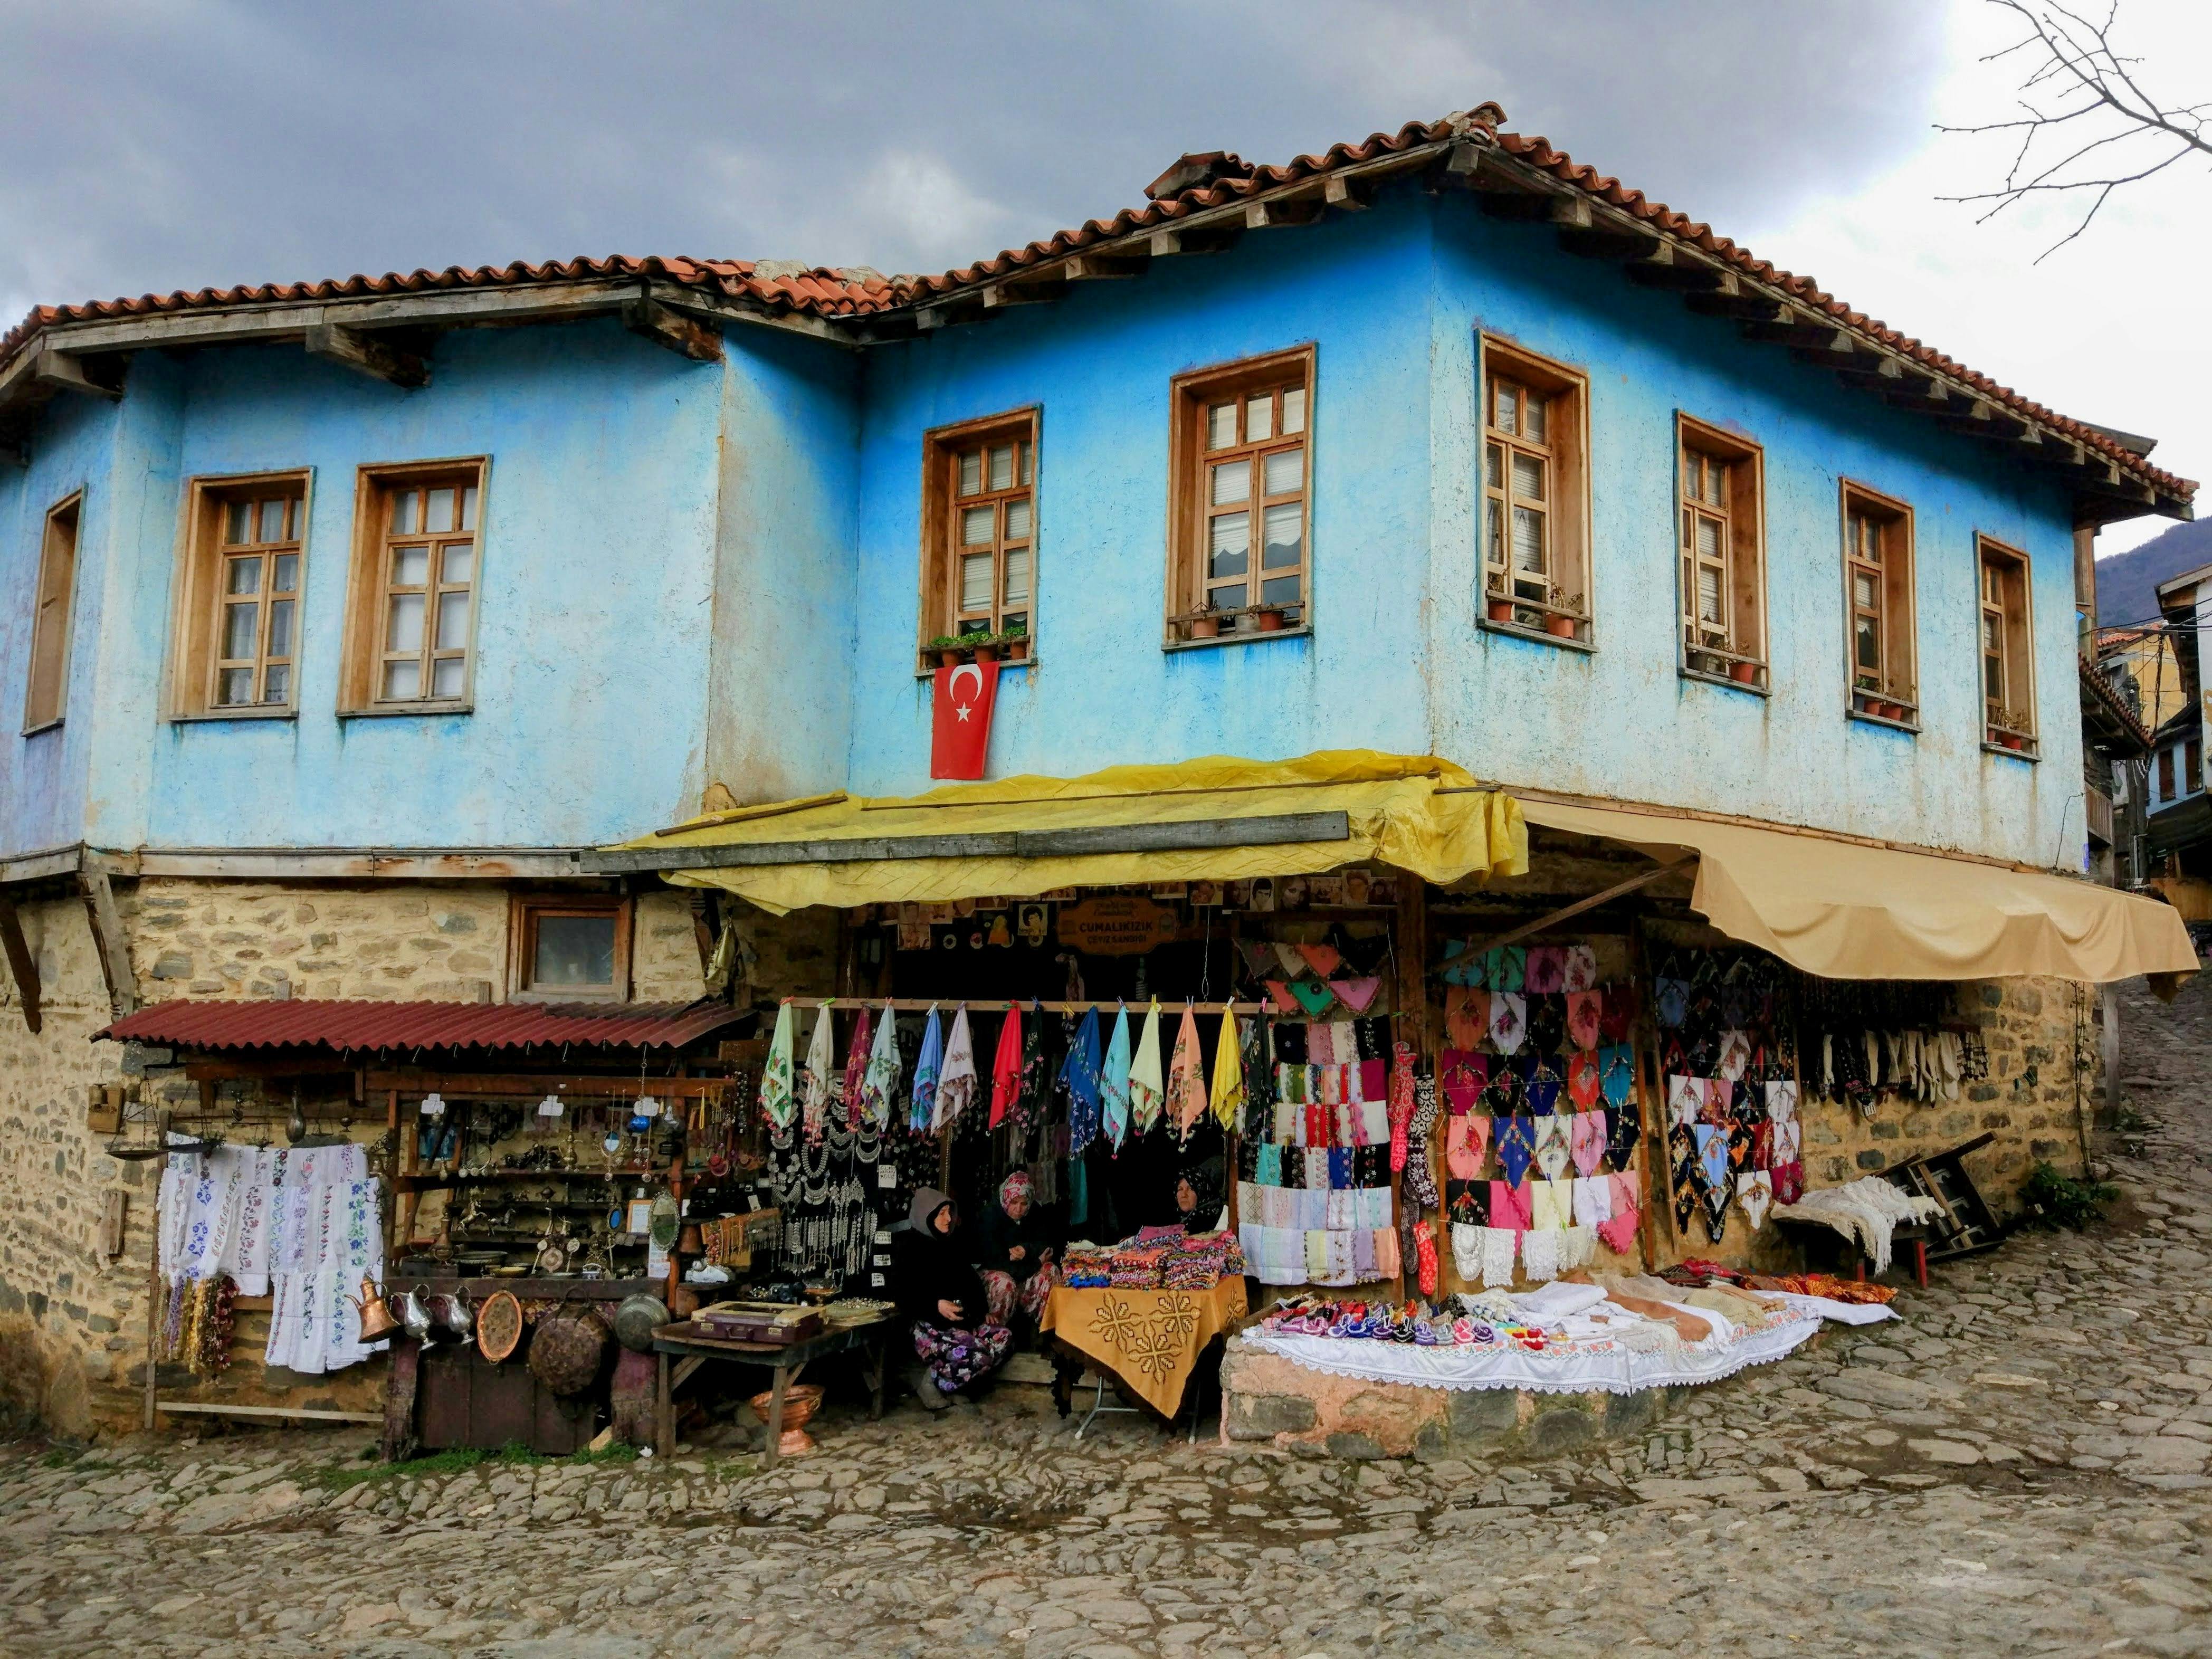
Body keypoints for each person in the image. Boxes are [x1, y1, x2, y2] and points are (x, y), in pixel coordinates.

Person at [890, 1187, 1010, 1410]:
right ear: (926, 1215)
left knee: (1003, 1338)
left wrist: (982, 1312)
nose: (948, 1219)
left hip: (962, 1321)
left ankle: (951, 1385)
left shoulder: (951, 1244)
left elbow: (971, 1283)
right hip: (929, 1324)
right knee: (978, 1355)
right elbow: (901, 1293)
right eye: (942, 1213)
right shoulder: (908, 1247)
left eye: (949, 1212)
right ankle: (931, 1382)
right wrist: (935, 1305)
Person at [974, 1170, 1061, 1328]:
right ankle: (995, 1334)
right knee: (1005, 1283)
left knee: (1051, 1270)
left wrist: (1026, 1250)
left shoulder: (1034, 1211)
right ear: (1006, 1198)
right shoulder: (990, 1216)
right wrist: (1036, 1262)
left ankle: (1045, 1329)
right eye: (1014, 1203)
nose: (1019, 1209)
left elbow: (1046, 1245)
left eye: (1024, 1204)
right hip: (997, 1270)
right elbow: (994, 1261)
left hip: (1024, 1268)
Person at [1175, 1156, 1226, 1233]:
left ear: (1202, 1193)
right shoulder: (1185, 1219)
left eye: (1191, 1189)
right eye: (1180, 1189)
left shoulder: (1206, 1220)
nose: (1184, 1195)